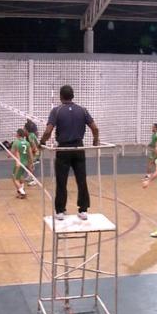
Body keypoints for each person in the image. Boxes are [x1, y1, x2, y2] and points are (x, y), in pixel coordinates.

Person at [40, 85, 100, 221]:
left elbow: (48, 131)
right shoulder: (83, 110)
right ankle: (83, 210)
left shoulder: (56, 110)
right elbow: (95, 128)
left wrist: (42, 142)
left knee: (61, 181)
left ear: (61, 97)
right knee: (81, 180)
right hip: (79, 149)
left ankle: (60, 211)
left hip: (63, 150)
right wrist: (96, 141)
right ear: (73, 96)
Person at [11, 129, 33, 198]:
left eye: (16, 133)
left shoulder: (16, 142)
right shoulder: (27, 142)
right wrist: (31, 163)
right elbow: (30, 154)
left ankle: (22, 192)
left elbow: (12, 152)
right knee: (20, 176)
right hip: (25, 162)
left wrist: (9, 155)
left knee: (14, 178)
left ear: (18, 134)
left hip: (19, 163)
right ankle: (21, 189)